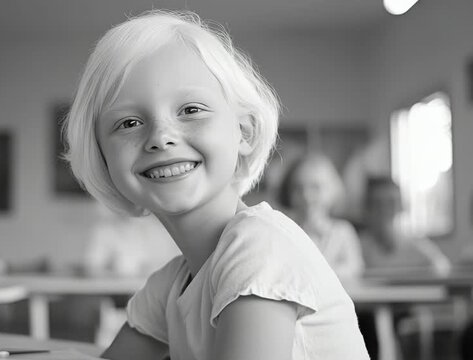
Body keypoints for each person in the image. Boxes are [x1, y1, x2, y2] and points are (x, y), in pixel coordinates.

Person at [64, 10, 369, 359]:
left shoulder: (260, 247)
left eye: (191, 110)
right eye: (129, 122)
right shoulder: (172, 285)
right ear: (101, 157)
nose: (161, 137)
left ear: (245, 132)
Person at [277, 152, 364, 281]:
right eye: (298, 188)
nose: (306, 196)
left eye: (315, 187)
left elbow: (354, 268)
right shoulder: (285, 231)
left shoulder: (343, 232)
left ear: (332, 191)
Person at [359, 176, 451, 276]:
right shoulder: (356, 247)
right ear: (367, 209)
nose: (384, 211)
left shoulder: (417, 245)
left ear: (400, 207)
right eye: (378, 205)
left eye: (390, 204)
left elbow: (442, 268)